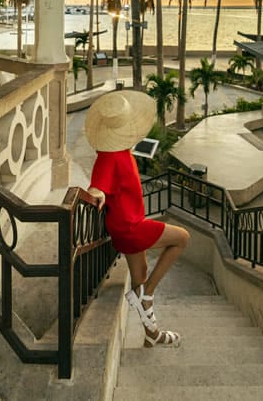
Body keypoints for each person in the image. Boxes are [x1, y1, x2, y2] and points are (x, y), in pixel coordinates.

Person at [84, 90, 189, 348]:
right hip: (130, 228)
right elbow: (97, 187)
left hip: (128, 225)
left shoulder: (121, 152)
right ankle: (147, 295)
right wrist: (97, 193)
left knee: (140, 273)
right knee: (182, 238)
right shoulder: (109, 158)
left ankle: (151, 333)